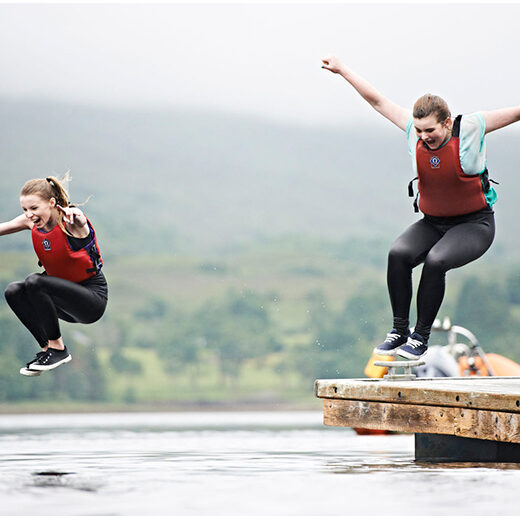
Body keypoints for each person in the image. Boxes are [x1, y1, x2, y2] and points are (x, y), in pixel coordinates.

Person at [321, 55, 520, 360]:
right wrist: (343, 70)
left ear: (447, 122)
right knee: (398, 254)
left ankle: (420, 338)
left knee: (436, 261)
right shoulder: (411, 130)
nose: (424, 137)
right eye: (419, 131)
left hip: (474, 225)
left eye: (431, 131)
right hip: (432, 223)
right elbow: (377, 101)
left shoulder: (470, 128)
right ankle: (399, 330)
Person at [0, 174, 108, 376]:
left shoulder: (71, 222)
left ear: (51, 203)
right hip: (63, 302)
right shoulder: (31, 222)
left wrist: (76, 216)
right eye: (25, 209)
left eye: (34, 208)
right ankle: (48, 350)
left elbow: (81, 221)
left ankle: (58, 349)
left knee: (35, 281)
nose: (29, 214)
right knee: (13, 291)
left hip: (91, 300)